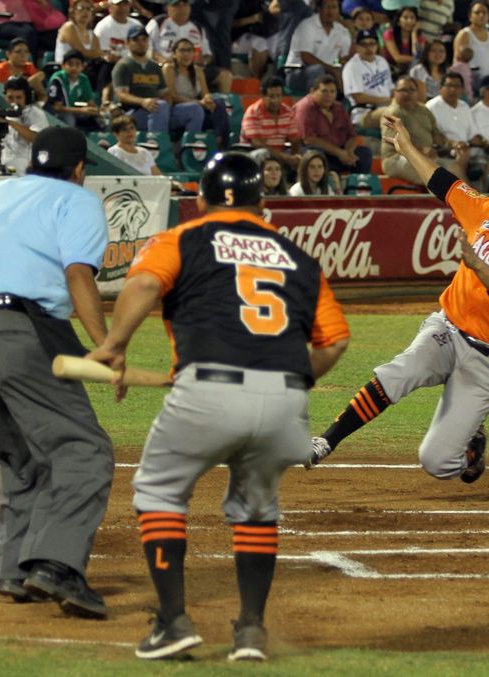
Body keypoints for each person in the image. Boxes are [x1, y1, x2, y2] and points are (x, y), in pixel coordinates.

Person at [85, 152, 349, 660]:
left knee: (160, 489)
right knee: (256, 507)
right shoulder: (297, 256)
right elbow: (334, 343)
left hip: (207, 389)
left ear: (200, 201)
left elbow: (142, 283)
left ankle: (173, 622)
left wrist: (115, 344)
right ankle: (250, 630)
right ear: (263, 205)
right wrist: (288, 380)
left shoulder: (185, 237)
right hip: (285, 402)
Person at [308, 112, 489, 486]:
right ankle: (326, 441)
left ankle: (472, 440)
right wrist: (408, 147)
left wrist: (476, 264)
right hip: (448, 329)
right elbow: (443, 182)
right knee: (400, 372)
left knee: (437, 462)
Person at [0, 126, 114, 618]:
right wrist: (107, 345)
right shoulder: (77, 201)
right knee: (83, 449)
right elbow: (79, 274)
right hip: (20, 331)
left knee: (23, 452)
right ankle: (56, 566)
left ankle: (14, 570)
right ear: (79, 169)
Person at [113, 25, 205, 135]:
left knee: (195, 109)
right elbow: (121, 95)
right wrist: (143, 101)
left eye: (144, 39)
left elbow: (165, 93)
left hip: (160, 110)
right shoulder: (123, 65)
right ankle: (157, 146)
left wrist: (168, 105)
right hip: (133, 113)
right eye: (136, 40)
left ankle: (190, 148)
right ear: (127, 43)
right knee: (160, 106)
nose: (141, 43)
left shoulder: (154, 66)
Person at [379, 74, 461, 183]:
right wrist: (422, 151)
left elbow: (438, 137)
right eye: (403, 90)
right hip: (396, 159)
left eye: (411, 90)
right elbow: (394, 142)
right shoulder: (392, 113)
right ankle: (438, 200)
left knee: (454, 167)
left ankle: (471, 199)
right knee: (434, 175)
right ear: (395, 92)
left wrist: (453, 144)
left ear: (417, 92)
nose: (407, 94)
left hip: (425, 157)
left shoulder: (424, 110)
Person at [427, 71, 489, 184]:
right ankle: (464, 194)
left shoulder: (464, 106)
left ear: (462, 89)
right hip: (444, 149)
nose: (453, 89)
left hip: (466, 147)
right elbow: (433, 137)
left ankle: (485, 191)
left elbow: (472, 136)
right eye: (449, 86)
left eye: (457, 86)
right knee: (463, 153)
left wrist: (486, 143)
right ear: (440, 88)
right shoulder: (431, 107)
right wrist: (453, 144)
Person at [292, 73, 374, 173]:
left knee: (364, 153)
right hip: (318, 152)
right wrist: (339, 153)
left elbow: (351, 135)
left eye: (332, 92)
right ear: (312, 91)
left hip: (340, 152)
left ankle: (359, 186)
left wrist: (349, 152)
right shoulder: (304, 108)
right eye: (324, 91)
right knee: (315, 153)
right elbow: (309, 139)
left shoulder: (339, 107)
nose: (329, 95)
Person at [149, 0, 233, 94]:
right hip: (168, 67)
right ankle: (173, 102)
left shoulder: (197, 27)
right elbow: (147, 47)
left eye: (185, 4)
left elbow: (207, 54)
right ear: (168, 8)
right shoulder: (158, 23)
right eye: (177, 5)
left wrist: (203, 62)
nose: (182, 8)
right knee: (168, 69)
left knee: (225, 75)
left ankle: (224, 104)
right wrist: (163, 60)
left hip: (193, 69)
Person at [163, 37, 232, 145]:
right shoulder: (169, 69)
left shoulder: (198, 70)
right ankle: (190, 147)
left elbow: (205, 93)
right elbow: (172, 96)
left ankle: (220, 140)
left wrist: (208, 100)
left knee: (219, 102)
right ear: (174, 54)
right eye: (182, 50)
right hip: (176, 110)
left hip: (197, 106)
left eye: (189, 50)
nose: (186, 54)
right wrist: (198, 102)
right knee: (196, 109)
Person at [0, 77, 49, 176]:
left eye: (18, 97)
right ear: (5, 97)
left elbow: (37, 138)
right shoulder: (3, 115)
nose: (14, 101)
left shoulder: (35, 114)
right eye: (10, 97)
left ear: (26, 97)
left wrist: (10, 122)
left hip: (28, 170)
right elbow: (4, 146)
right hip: (7, 169)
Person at [284, 0, 352, 93]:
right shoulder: (307, 25)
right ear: (319, 9)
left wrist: (354, 35)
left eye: (334, 7)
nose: (330, 11)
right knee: (318, 70)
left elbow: (346, 57)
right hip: (297, 73)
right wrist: (332, 70)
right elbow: (306, 57)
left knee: (350, 69)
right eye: (327, 7)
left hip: (328, 73)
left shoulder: (342, 30)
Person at [241, 76, 303, 172]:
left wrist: (296, 157)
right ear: (263, 95)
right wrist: (285, 157)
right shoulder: (253, 112)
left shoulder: (288, 112)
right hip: (255, 154)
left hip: (281, 154)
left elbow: (295, 140)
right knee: (262, 153)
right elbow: (257, 143)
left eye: (278, 96)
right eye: (271, 96)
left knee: (309, 153)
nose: (275, 100)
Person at [343, 27, 394, 127]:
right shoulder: (352, 67)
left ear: (377, 46)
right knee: (395, 114)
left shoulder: (382, 61)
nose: (368, 48)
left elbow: (391, 88)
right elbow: (358, 98)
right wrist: (386, 100)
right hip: (365, 113)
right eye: (364, 44)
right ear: (357, 47)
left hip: (387, 107)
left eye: (372, 44)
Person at [46, 50, 101, 131]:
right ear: (63, 65)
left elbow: (90, 101)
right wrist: (81, 111)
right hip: (56, 113)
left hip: (74, 110)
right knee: (69, 119)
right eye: (70, 64)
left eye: (77, 64)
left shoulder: (83, 79)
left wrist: (96, 110)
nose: (74, 68)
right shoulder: (57, 79)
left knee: (100, 119)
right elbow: (57, 107)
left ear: (83, 67)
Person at [0, 37, 47, 102]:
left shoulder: (29, 67)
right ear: (8, 54)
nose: (23, 55)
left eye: (26, 52)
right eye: (18, 52)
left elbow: (39, 84)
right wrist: (28, 82)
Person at [383, 6, 423, 76]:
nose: (409, 21)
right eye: (405, 18)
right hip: (391, 70)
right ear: (398, 21)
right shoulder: (389, 34)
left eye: (412, 18)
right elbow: (397, 58)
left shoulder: (419, 38)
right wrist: (417, 59)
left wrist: (414, 33)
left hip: (411, 71)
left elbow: (417, 54)